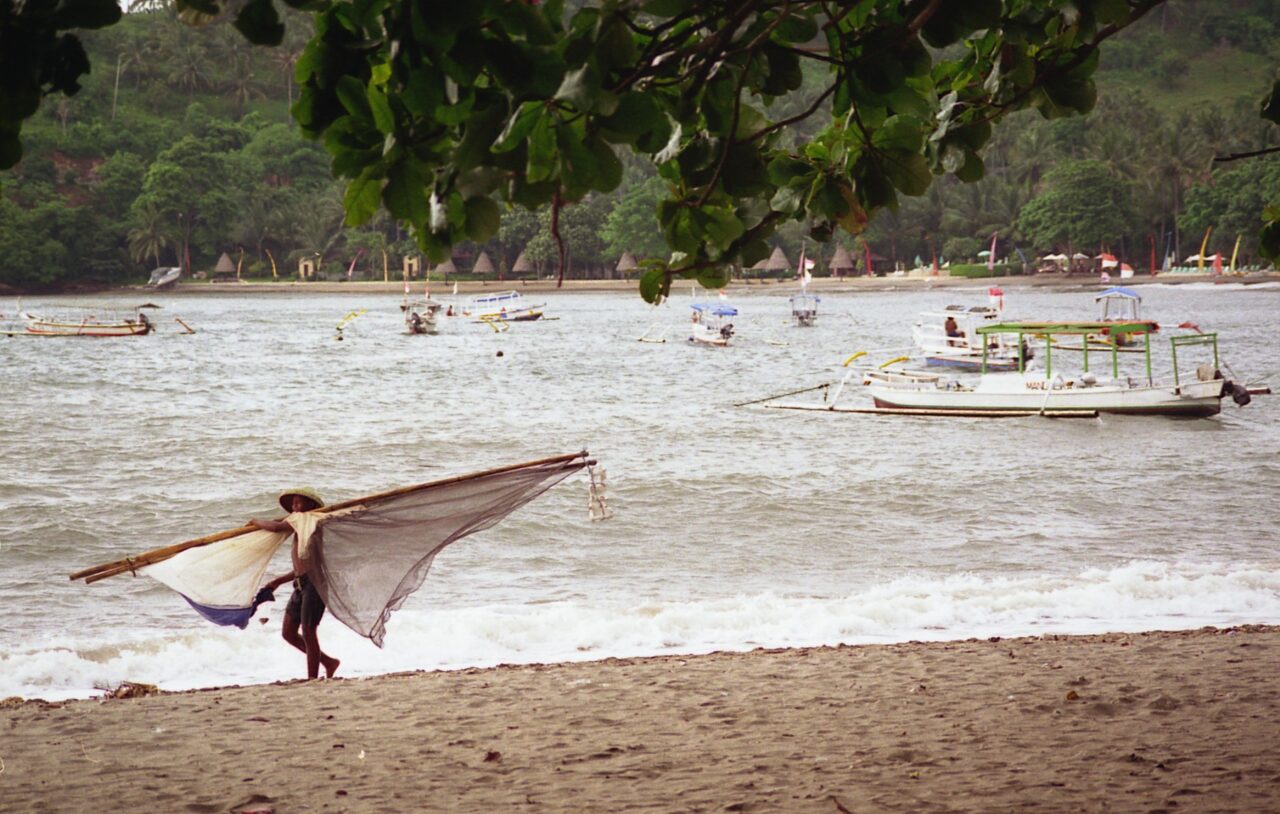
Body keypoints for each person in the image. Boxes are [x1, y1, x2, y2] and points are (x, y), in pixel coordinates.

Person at [251, 488, 340, 680]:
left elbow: (275, 528)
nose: (295, 507)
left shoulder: (308, 524)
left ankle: (312, 679)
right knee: (288, 633)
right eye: (293, 504)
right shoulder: (302, 526)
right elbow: (301, 568)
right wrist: (277, 581)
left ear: (310, 506)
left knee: (308, 632)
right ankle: (329, 662)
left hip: (315, 585)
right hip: (301, 585)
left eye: (299, 503)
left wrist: (255, 521)